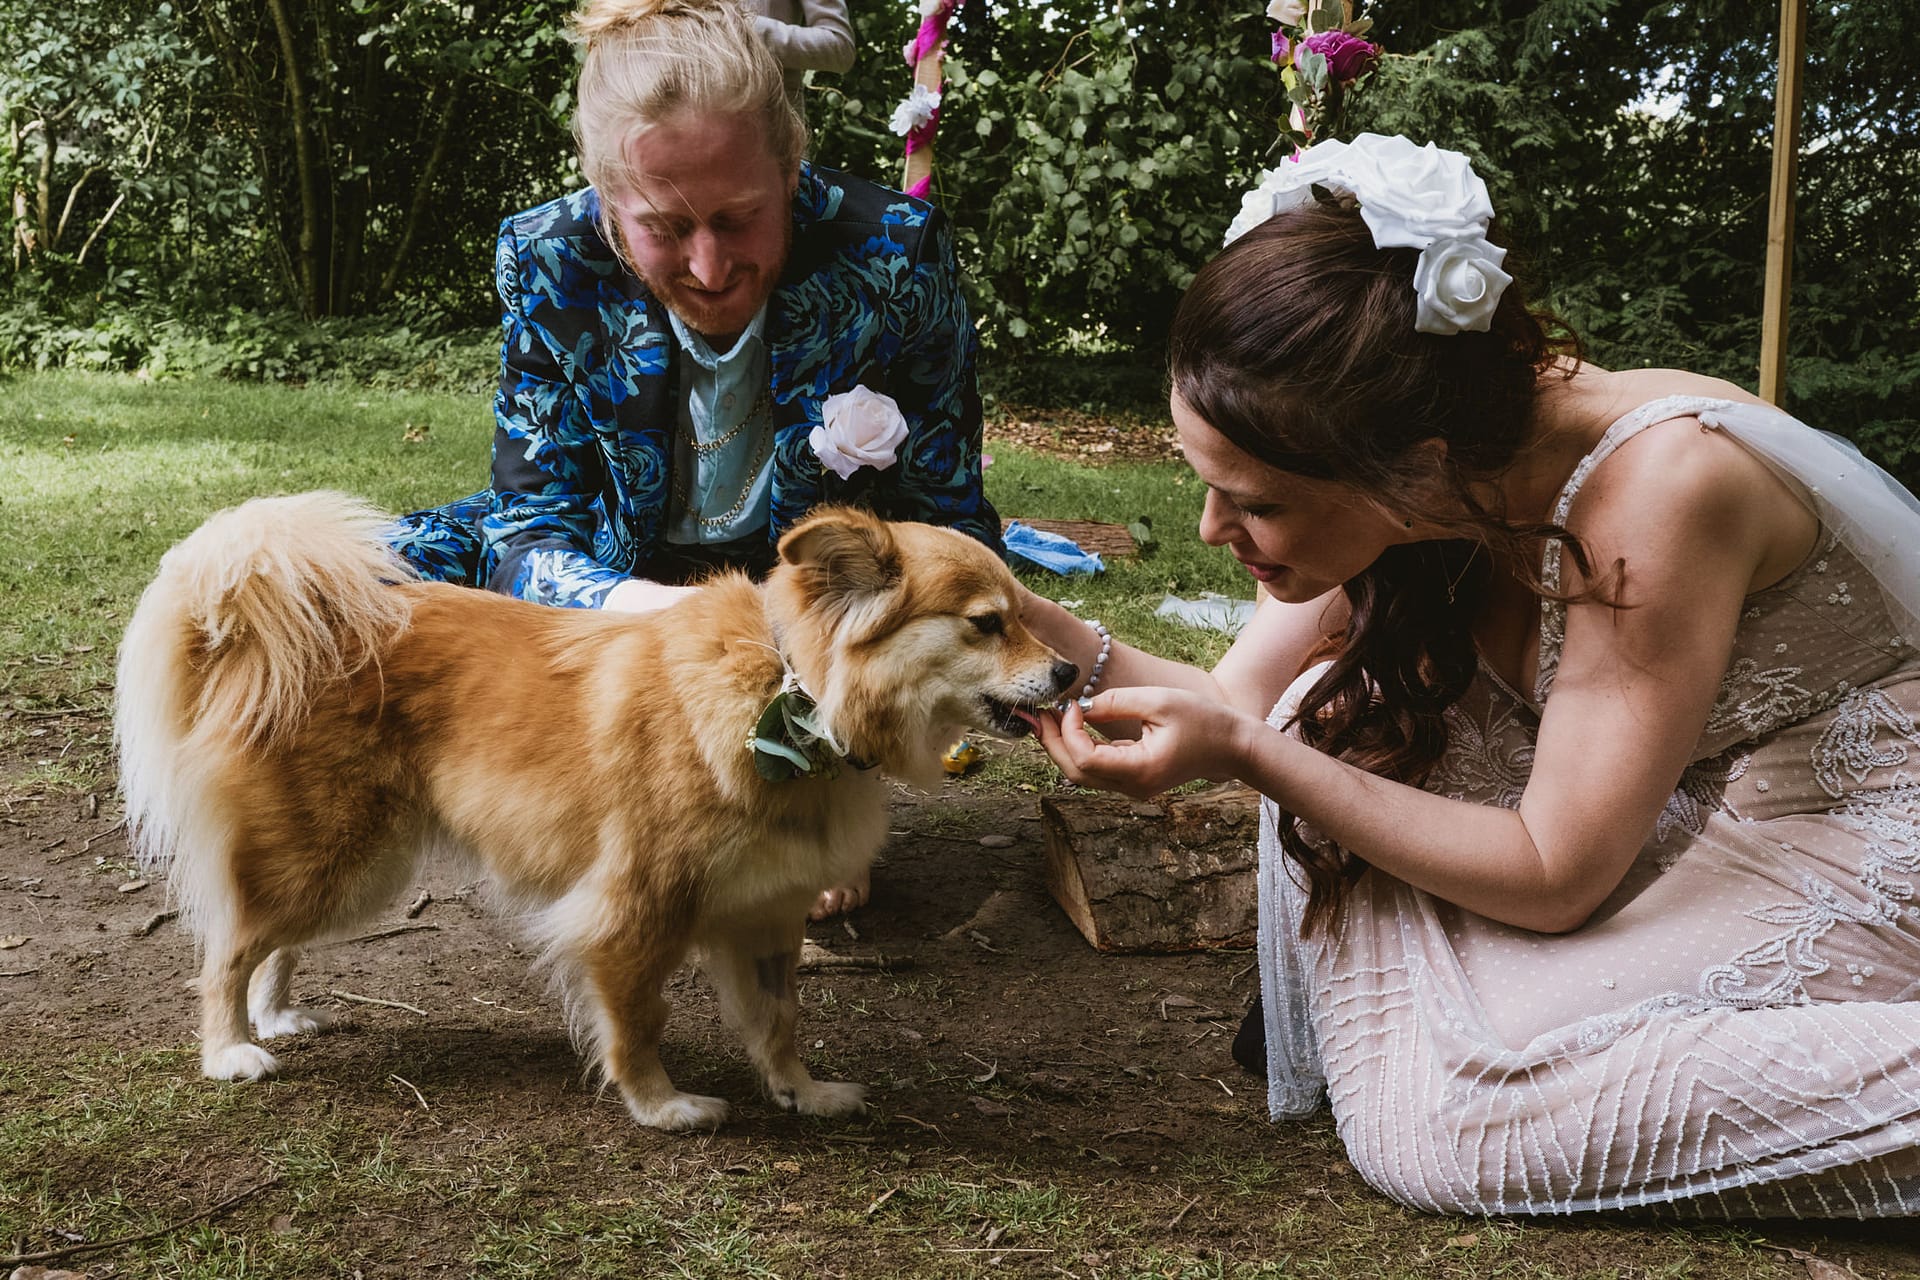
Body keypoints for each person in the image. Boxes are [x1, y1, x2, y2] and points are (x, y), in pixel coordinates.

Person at [1019, 133, 1920, 1217]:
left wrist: (1260, 759)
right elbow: (1230, 700)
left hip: (1848, 848)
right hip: (1674, 819)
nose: (1213, 530)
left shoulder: (1661, 489)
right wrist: (1014, 612)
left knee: (1458, 1121)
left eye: (1256, 503)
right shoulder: (1421, 445)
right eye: (1207, 484)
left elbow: (1550, 871)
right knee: (1329, 714)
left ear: (1415, 470)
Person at [386, 0, 999, 919]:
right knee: (360, 588)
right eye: (665, 229)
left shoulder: (895, 256)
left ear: (791, 168)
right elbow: (532, 517)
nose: (710, 266)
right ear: (603, 198)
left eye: (740, 218)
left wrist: (835, 710)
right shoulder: (546, 259)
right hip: (620, 581)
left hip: (807, 608)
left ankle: (813, 787)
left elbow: (945, 517)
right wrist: (684, 619)